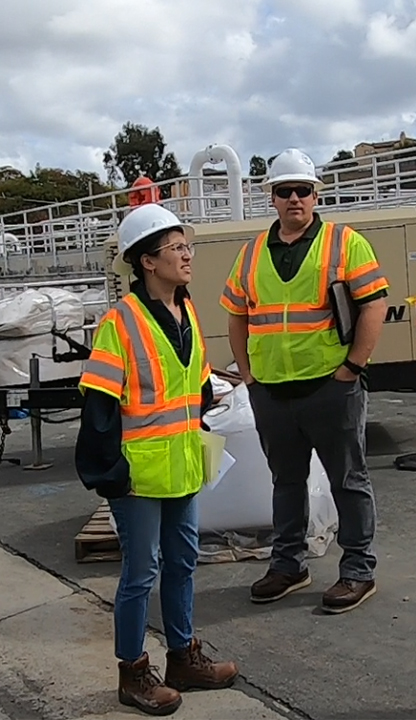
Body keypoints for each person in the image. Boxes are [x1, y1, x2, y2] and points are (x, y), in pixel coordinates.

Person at [76, 203, 239, 716]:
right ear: (146, 260)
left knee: (183, 563)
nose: (187, 255)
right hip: (139, 476)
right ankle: (132, 672)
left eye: (187, 246)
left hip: (184, 463)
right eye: (177, 248)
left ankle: (183, 656)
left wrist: (207, 419)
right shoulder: (118, 323)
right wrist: (109, 474)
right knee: (140, 575)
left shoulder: (186, 310)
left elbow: (195, 386)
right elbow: (99, 407)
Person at [220, 149, 389, 614]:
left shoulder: (344, 243)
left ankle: (357, 569)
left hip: (329, 387)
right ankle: (288, 564)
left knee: (348, 481)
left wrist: (351, 368)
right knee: (286, 482)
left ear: (316, 194)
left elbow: (374, 304)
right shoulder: (252, 253)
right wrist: (249, 375)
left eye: (303, 190)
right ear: (271, 198)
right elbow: (237, 314)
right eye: (284, 190)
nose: (294, 198)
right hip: (273, 391)